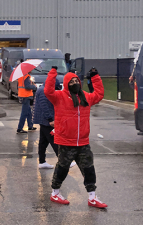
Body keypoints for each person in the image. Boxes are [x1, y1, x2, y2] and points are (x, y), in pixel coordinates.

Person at [44, 66, 108, 208]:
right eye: (71, 82)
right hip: (66, 141)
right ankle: (55, 193)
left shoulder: (86, 97)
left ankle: (92, 197)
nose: (74, 83)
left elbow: (99, 94)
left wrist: (95, 76)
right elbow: (47, 91)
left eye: (76, 80)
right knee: (63, 168)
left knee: (89, 169)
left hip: (83, 142)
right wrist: (53, 73)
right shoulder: (59, 97)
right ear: (66, 84)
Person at [33, 79, 76, 169]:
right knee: (55, 141)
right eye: (55, 88)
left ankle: (42, 161)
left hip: (43, 119)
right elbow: (44, 106)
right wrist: (50, 119)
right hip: (46, 120)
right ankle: (65, 161)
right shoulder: (44, 91)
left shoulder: (43, 89)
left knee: (43, 142)